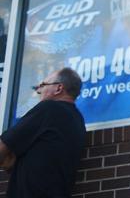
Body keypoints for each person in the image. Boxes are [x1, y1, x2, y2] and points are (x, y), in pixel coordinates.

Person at [0, 67, 86, 198]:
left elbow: (4, 146)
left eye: (43, 85)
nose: (39, 91)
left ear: (58, 88)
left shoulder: (49, 108)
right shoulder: (78, 121)